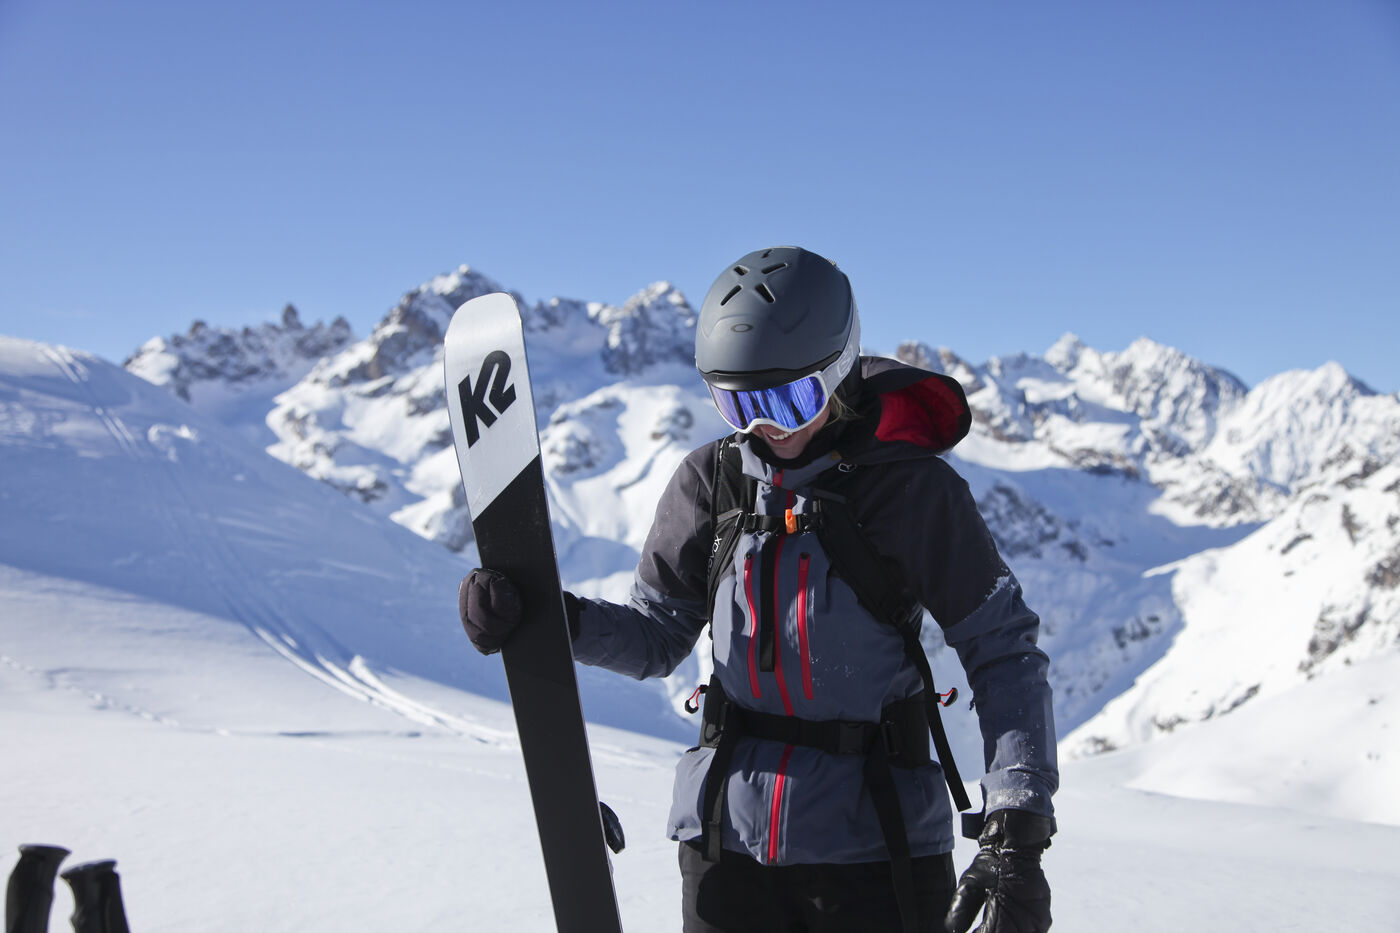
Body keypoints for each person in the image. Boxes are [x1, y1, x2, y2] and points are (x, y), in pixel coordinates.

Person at [460, 246, 1058, 933]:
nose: (763, 425)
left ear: (839, 371)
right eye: (736, 402)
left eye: (788, 399)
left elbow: (1003, 648)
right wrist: (548, 620)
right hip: (725, 850)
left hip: (877, 853)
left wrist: (1017, 828)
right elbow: (657, 636)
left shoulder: (912, 492)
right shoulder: (710, 482)